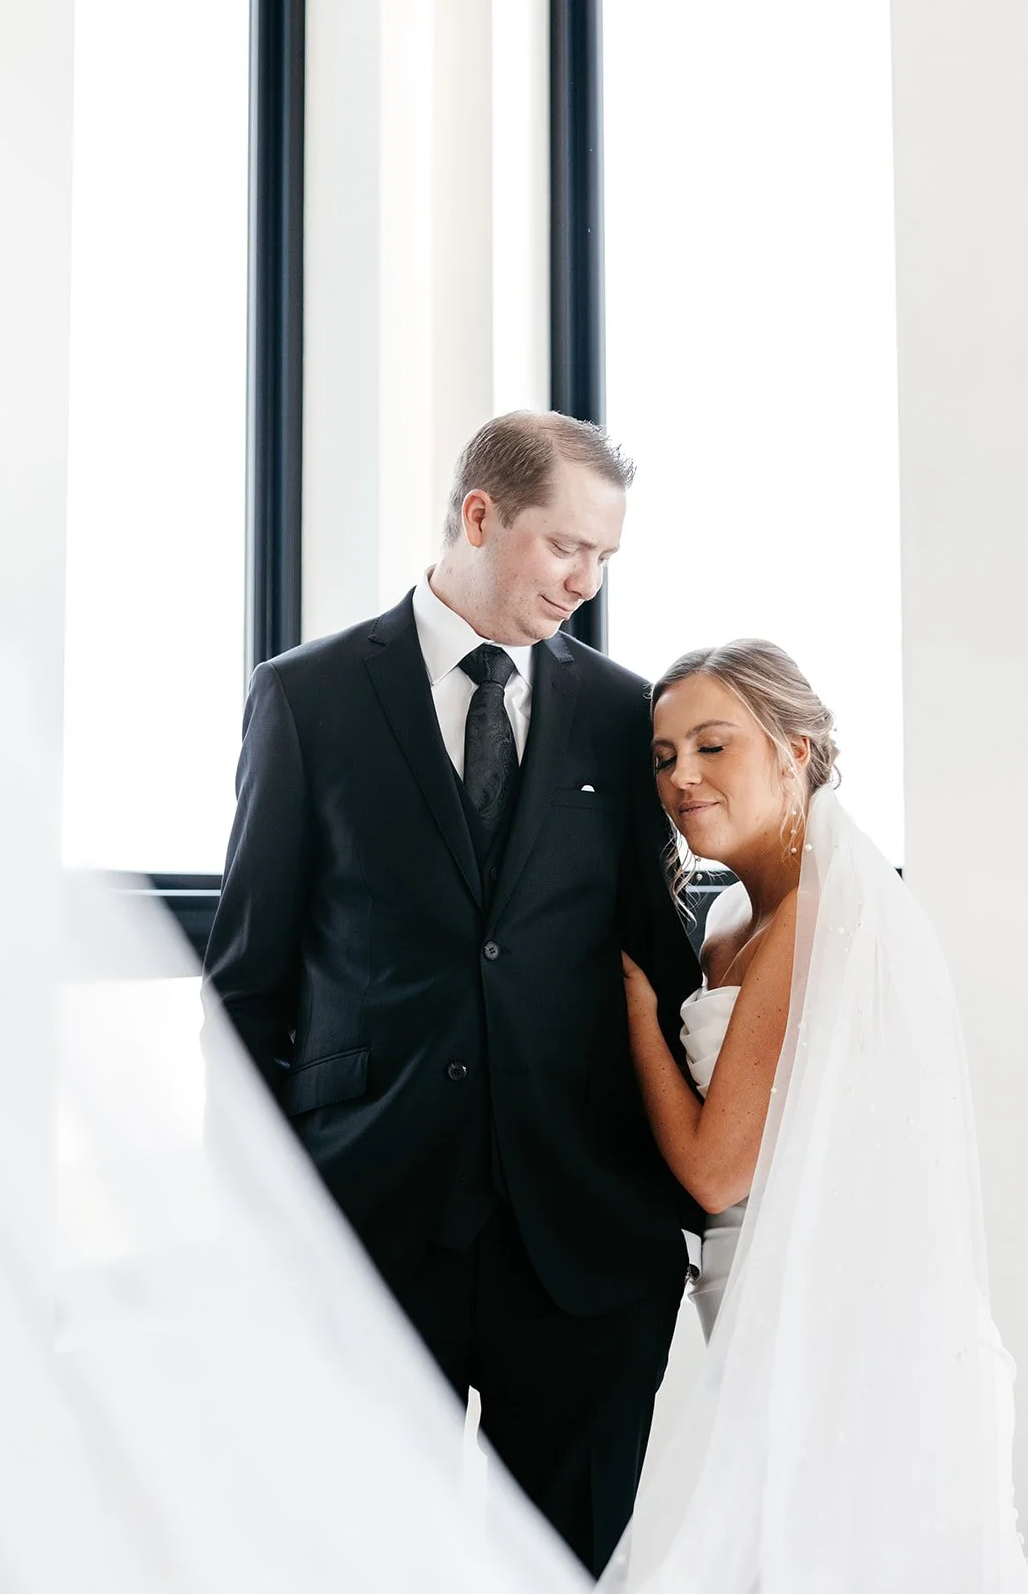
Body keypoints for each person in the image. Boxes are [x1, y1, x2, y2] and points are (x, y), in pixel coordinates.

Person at [201, 410, 702, 1577]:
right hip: (365, 1234)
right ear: (479, 515)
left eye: (603, 560)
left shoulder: (626, 716)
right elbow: (245, 986)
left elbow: (655, 960)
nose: (583, 582)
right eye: (564, 548)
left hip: (580, 1254)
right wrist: (259, 1227)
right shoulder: (306, 699)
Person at [610, 639, 1028, 1591]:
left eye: (713, 747)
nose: (681, 777)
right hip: (746, 1300)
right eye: (664, 756)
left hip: (831, 1320)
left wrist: (634, 1011)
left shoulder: (818, 917)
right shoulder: (726, 918)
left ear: (794, 750)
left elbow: (717, 1171)